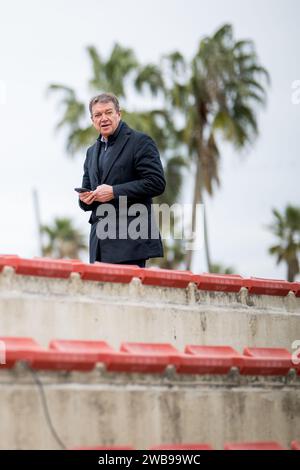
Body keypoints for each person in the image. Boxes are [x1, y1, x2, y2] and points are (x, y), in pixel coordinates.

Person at [78, 93, 166, 268]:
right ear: (92, 120)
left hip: (130, 240)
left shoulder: (140, 142)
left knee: (127, 295)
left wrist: (113, 192)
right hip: (99, 244)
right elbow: (86, 192)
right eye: (98, 115)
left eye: (108, 112)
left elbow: (156, 182)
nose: (103, 118)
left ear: (119, 114)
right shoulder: (91, 152)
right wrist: (85, 199)